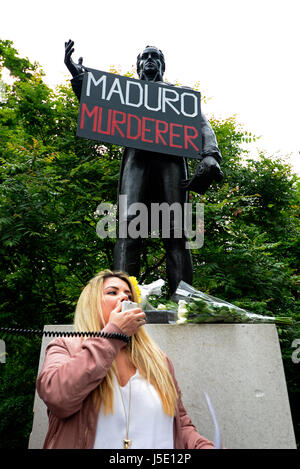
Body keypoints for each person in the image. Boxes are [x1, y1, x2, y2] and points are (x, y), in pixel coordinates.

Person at [64, 41, 223, 295]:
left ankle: (186, 303)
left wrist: (210, 154)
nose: (150, 60)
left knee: (176, 232)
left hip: (170, 160)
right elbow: (98, 103)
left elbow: (201, 122)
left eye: (155, 57)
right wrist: (80, 77)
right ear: (138, 65)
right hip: (136, 159)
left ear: (163, 65)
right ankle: (121, 302)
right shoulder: (127, 94)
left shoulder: (177, 94)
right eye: (145, 57)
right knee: (128, 230)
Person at [36, 269, 215, 449]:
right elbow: (58, 398)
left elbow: (180, 425)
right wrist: (113, 335)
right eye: (112, 292)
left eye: (129, 295)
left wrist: (201, 446)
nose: (124, 298)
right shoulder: (65, 348)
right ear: (91, 304)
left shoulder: (159, 360)